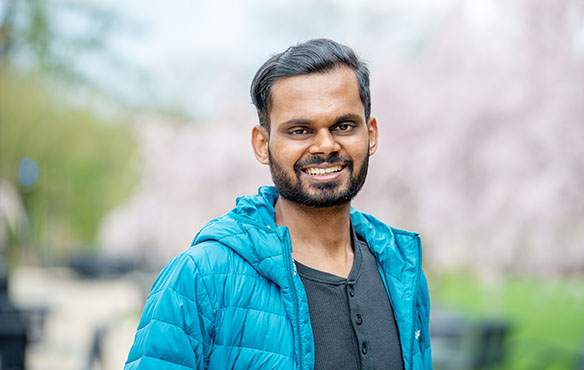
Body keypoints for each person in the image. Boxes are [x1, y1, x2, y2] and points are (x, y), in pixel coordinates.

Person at [124, 38, 432, 370]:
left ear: (371, 134)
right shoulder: (201, 278)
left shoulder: (401, 271)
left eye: (343, 126)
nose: (326, 145)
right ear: (262, 144)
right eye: (300, 130)